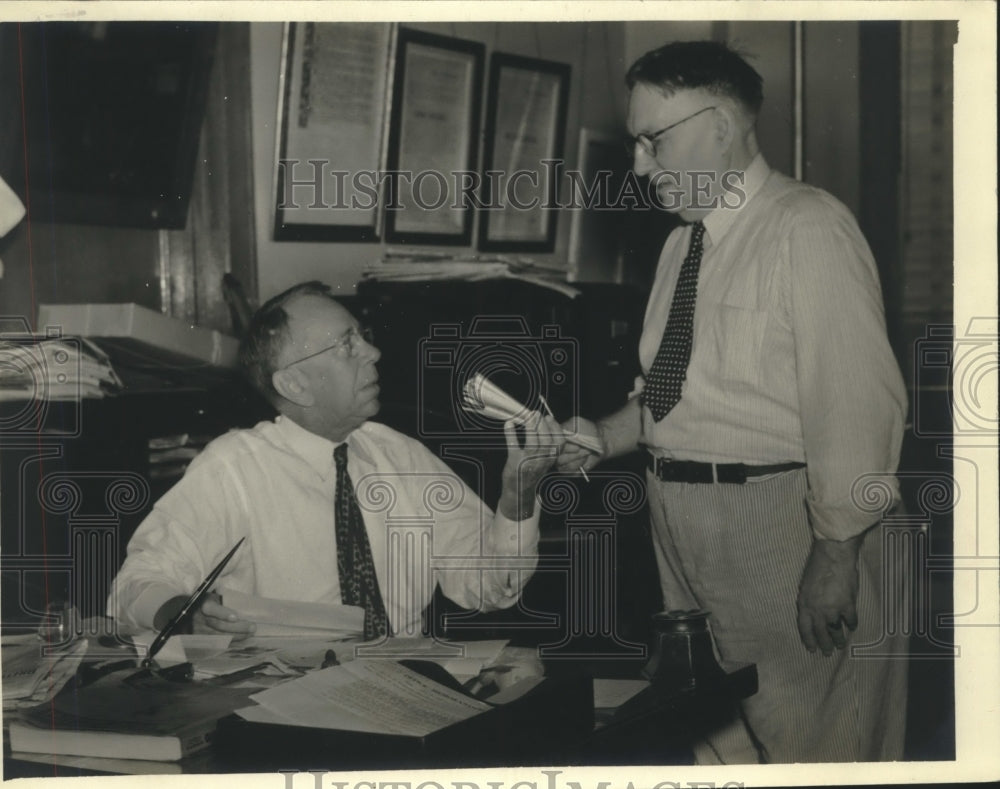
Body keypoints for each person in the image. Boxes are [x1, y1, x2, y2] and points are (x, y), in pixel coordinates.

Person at [557, 41, 909, 763]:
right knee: (719, 744)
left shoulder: (807, 226)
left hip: (786, 523)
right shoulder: (681, 247)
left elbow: (855, 404)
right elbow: (673, 397)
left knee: (816, 743)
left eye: (654, 141)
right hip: (682, 526)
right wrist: (596, 435)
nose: (640, 167)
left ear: (719, 126)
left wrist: (836, 551)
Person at [109, 281, 563, 640]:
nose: (374, 353)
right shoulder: (234, 468)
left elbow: (491, 588)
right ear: (294, 384)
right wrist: (183, 616)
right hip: (283, 701)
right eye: (347, 345)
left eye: (363, 337)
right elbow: (136, 583)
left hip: (403, 689)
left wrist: (518, 496)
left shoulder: (400, 456)